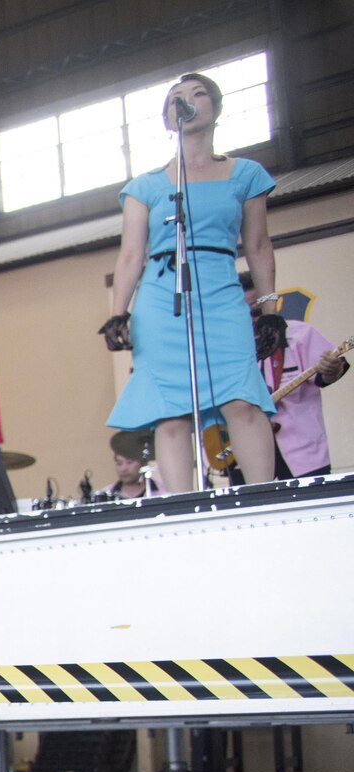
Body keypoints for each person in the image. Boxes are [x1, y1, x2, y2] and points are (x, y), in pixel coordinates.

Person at [101, 73, 278, 493]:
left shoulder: (246, 174)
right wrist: (117, 313)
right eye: (176, 97)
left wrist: (270, 311)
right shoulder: (144, 187)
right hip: (161, 298)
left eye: (198, 93)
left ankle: (263, 502)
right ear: (168, 119)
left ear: (215, 109)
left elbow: (257, 244)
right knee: (172, 411)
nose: (187, 100)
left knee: (242, 399)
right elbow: (130, 255)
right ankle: (181, 511)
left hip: (220, 287)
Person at [242, 272, 347, 479]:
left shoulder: (299, 333)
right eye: (245, 310)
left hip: (303, 453)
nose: (252, 315)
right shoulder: (227, 346)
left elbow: (330, 373)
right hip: (247, 455)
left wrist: (331, 367)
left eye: (256, 308)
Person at [96, 432, 165, 501]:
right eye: (119, 463)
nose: (123, 468)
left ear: (142, 463)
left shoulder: (163, 491)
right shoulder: (105, 495)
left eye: (129, 462)